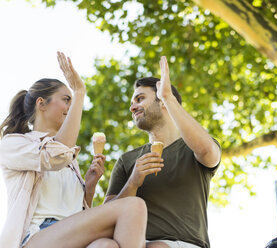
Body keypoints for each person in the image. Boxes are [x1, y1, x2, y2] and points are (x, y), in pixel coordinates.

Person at [0, 52, 147, 248]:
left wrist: (89, 187)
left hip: (69, 236)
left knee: (105, 245)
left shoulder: (70, 159)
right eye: (66, 99)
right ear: (41, 103)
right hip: (35, 237)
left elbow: (74, 212)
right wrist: (79, 92)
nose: (71, 106)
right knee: (134, 206)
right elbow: (54, 156)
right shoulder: (14, 143)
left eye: (71, 100)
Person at [104, 56, 222, 248]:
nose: (132, 107)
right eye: (133, 102)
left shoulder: (193, 147)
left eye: (140, 99)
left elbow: (208, 151)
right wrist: (133, 183)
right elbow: (105, 216)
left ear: (162, 102)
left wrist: (168, 97)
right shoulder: (127, 160)